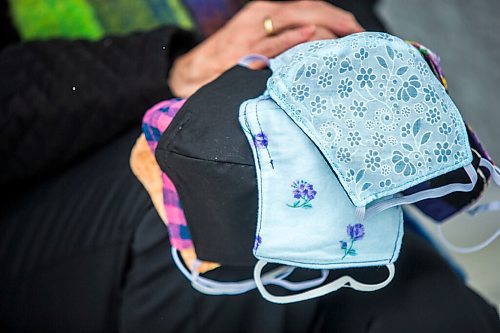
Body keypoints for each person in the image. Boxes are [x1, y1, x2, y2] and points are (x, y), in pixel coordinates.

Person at [0, 1, 498, 332]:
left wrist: (325, 44)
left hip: (265, 127)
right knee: (219, 182)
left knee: (429, 310)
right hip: (46, 189)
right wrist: (172, 67)